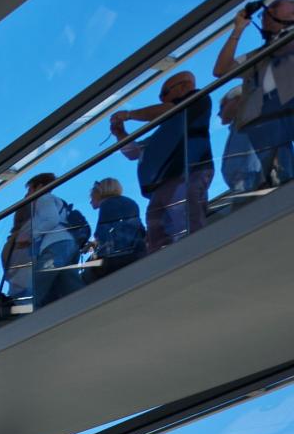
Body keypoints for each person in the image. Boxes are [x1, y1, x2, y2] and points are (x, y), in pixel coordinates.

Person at [112, 70, 212, 252]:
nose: (161, 99)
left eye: (164, 93)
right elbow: (134, 152)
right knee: (157, 230)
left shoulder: (196, 101)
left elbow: (169, 110)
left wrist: (129, 115)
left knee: (185, 222)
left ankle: (197, 253)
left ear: (185, 86)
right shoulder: (166, 130)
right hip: (161, 185)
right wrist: (120, 134)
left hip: (184, 173)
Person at [215, 0, 294, 188]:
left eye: (275, 7)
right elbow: (221, 70)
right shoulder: (260, 54)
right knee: (275, 165)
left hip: (285, 107)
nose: (267, 12)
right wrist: (238, 29)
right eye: (265, 11)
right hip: (261, 115)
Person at [22, 173, 86, 309]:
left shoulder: (43, 198)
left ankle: (26, 317)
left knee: (37, 284)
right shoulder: (58, 201)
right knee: (70, 284)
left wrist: (31, 235)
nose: (27, 195)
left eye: (29, 190)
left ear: (39, 187)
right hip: (69, 244)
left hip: (56, 245)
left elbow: (52, 220)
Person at [88, 177, 146, 281]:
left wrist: (94, 244)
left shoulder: (107, 205)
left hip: (117, 257)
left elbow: (103, 234)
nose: (90, 200)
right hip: (136, 251)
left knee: (86, 273)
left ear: (100, 192)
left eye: (92, 195)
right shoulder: (130, 202)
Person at [220, 88, 263, 194]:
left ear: (238, 99)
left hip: (252, 185)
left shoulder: (251, 120)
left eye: (223, 106)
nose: (219, 113)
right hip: (242, 187)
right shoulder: (238, 126)